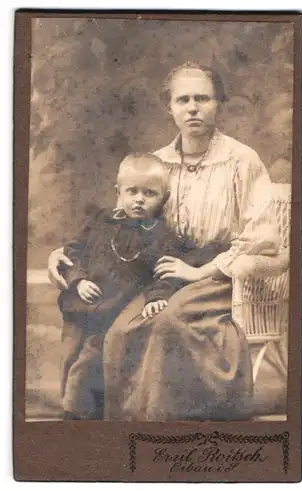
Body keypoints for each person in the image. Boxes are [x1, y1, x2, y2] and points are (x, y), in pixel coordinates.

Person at [48, 61, 280, 421]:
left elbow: (265, 244)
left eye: (202, 98)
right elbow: (115, 223)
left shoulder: (241, 161)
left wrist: (199, 272)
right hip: (162, 272)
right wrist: (61, 254)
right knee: (121, 328)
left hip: (217, 274)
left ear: (218, 103)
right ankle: (126, 426)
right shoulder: (157, 162)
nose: (193, 108)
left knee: (165, 322)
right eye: (183, 99)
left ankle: (169, 421)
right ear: (169, 107)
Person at [58, 152, 224, 419]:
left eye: (149, 193)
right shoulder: (100, 223)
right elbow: (73, 253)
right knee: (71, 356)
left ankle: (76, 418)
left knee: (90, 363)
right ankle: (81, 411)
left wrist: (157, 296)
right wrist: (78, 281)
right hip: (84, 303)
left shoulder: (160, 236)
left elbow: (166, 270)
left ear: (164, 198)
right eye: (132, 191)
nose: (139, 199)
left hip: (117, 310)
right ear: (119, 192)